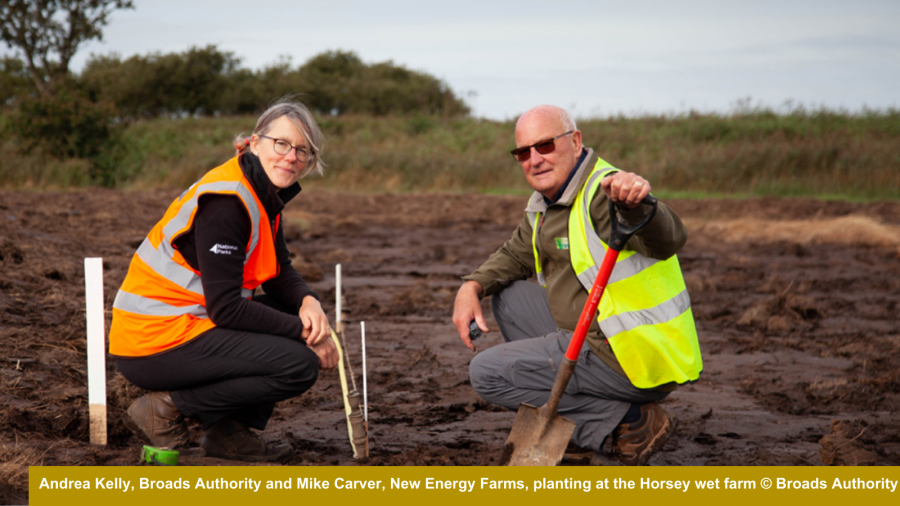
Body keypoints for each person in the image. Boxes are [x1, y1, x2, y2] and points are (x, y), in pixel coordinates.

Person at [452, 105, 702, 466]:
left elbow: (668, 239)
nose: (534, 160)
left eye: (545, 146)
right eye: (524, 152)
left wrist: (639, 204)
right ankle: (607, 406)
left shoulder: (606, 192)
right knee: (508, 297)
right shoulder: (547, 203)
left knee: (487, 374)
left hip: (633, 353)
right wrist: (471, 286)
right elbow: (517, 253)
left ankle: (627, 423)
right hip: (597, 334)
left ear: (575, 141)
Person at [109, 99, 338, 462]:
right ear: (253, 142)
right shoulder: (227, 201)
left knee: (290, 311)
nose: (291, 157)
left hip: (190, 322)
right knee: (298, 364)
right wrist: (304, 332)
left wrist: (309, 303)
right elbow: (227, 309)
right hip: (153, 340)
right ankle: (166, 407)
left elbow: (279, 270)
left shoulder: (260, 193)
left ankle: (227, 435)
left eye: (302, 151)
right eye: (281, 143)